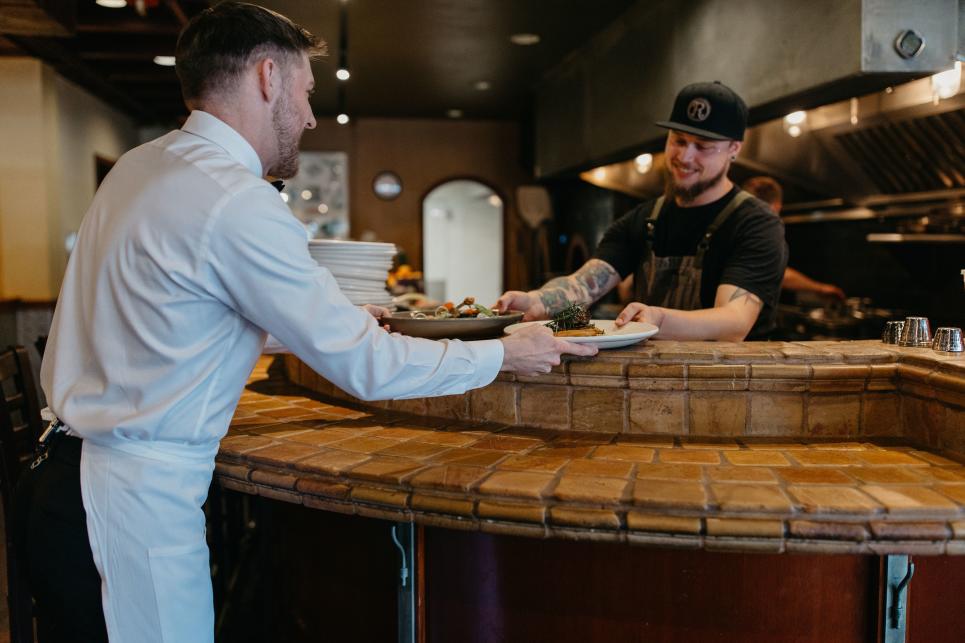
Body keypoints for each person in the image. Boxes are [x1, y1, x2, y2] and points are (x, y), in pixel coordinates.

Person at [20, 4, 596, 642]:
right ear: (268, 76)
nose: (313, 115)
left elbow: (163, 313)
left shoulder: (142, 164)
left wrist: (318, 320)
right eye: (307, 90)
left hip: (62, 482)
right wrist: (504, 354)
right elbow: (367, 368)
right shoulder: (236, 199)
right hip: (127, 506)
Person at [496, 81, 788, 341]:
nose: (685, 156)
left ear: (734, 148)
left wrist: (659, 318)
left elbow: (734, 323)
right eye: (679, 140)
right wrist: (535, 301)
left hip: (734, 388)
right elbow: (582, 284)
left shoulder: (756, 223)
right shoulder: (645, 219)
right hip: (653, 384)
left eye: (703, 146)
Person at [742, 176, 846, 300]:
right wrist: (820, 288)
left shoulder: (739, 227)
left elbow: (772, 269)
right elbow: (779, 274)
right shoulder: (761, 231)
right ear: (777, 206)